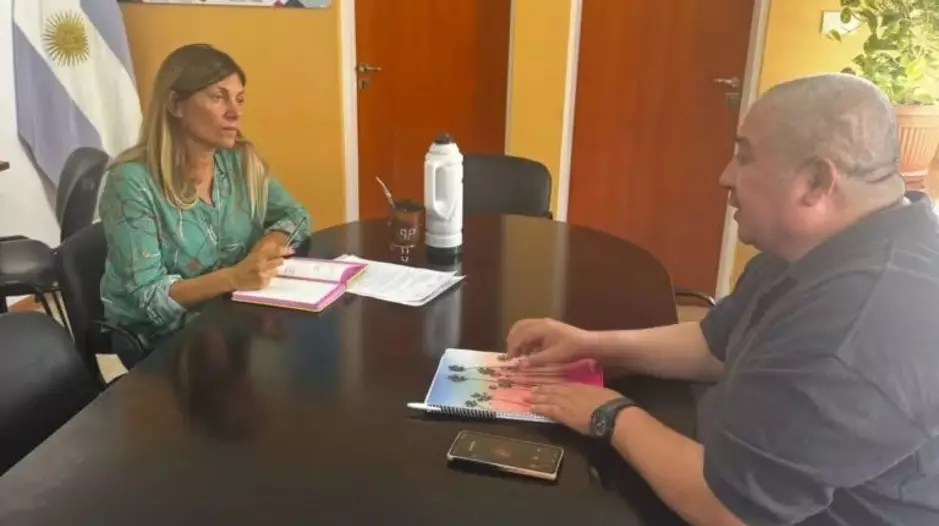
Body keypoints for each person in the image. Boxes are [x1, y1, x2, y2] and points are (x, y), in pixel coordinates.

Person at [506, 73, 939, 525]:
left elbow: (730, 509)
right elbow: (717, 344)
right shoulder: (819, 244)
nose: (724, 177)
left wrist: (610, 415)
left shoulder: (861, 322)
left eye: (744, 157)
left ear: (815, 182)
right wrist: (594, 344)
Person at [99, 44, 311, 364]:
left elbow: (297, 216)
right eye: (218, 97)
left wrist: (264, 248)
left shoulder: (240, 160)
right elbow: (148, 298)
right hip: (159, 339)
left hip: (226, 317)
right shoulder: (130, 182)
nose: (235, 112)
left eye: (239, 99)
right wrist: (234, 277)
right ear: (176, 104)